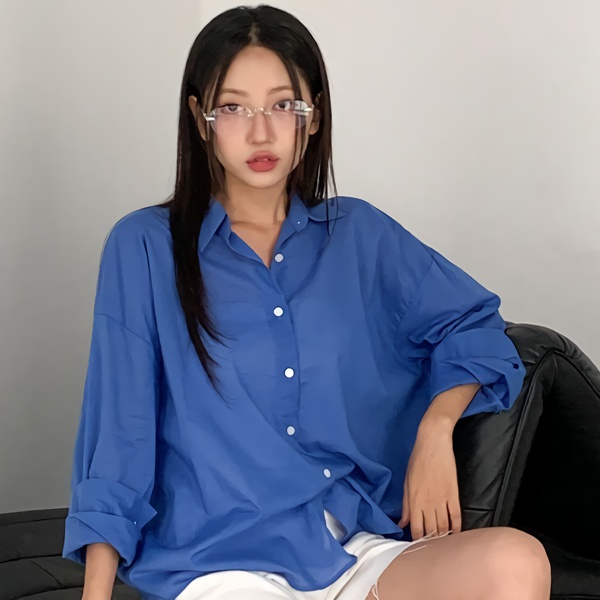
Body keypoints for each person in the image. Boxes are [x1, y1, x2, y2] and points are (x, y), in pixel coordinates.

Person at [62, 4, 551, 600]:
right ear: (200, 119)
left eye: (282, 106)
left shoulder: (359, 236)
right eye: (234, 107)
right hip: (220, 565)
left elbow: (473, 326)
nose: (261, 133)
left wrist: (437, 427)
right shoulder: (144, 247)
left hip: (349, 548)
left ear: (312, 116)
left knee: (515, 563)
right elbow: (119, 434)